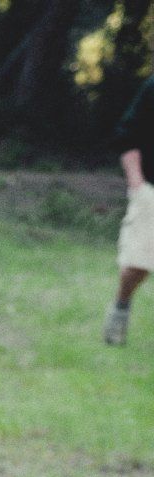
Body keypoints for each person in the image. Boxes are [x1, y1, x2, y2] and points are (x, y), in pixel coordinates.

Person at [104, 72, 154, 345]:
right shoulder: (152, 87)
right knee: (137, 265)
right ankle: (121, 307)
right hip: (151, 189)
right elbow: (127, 136)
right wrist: (137, 184)